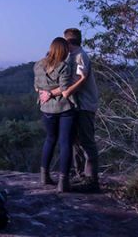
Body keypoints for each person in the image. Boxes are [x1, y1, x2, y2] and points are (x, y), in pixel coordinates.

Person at [39, 29, 101, 192]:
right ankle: (79, 174)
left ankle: (91, 179)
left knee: (86, 141)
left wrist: (50, 93)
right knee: (74, 142)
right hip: (75, 105)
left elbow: (74, 83)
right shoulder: (70, 57)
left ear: (68, 42)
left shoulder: (80, 57)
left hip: (84, 104)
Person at [34, 37, 77, 192]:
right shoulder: (64, 67)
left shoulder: (38, 65)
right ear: (63, 50)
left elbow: (36, 87)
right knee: (65, 143)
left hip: (46, 109)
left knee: (50, 139)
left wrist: (45, 94)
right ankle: (63, 183)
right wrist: (52, 93)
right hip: (64, 109)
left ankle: (44, 176)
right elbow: (65, 91)